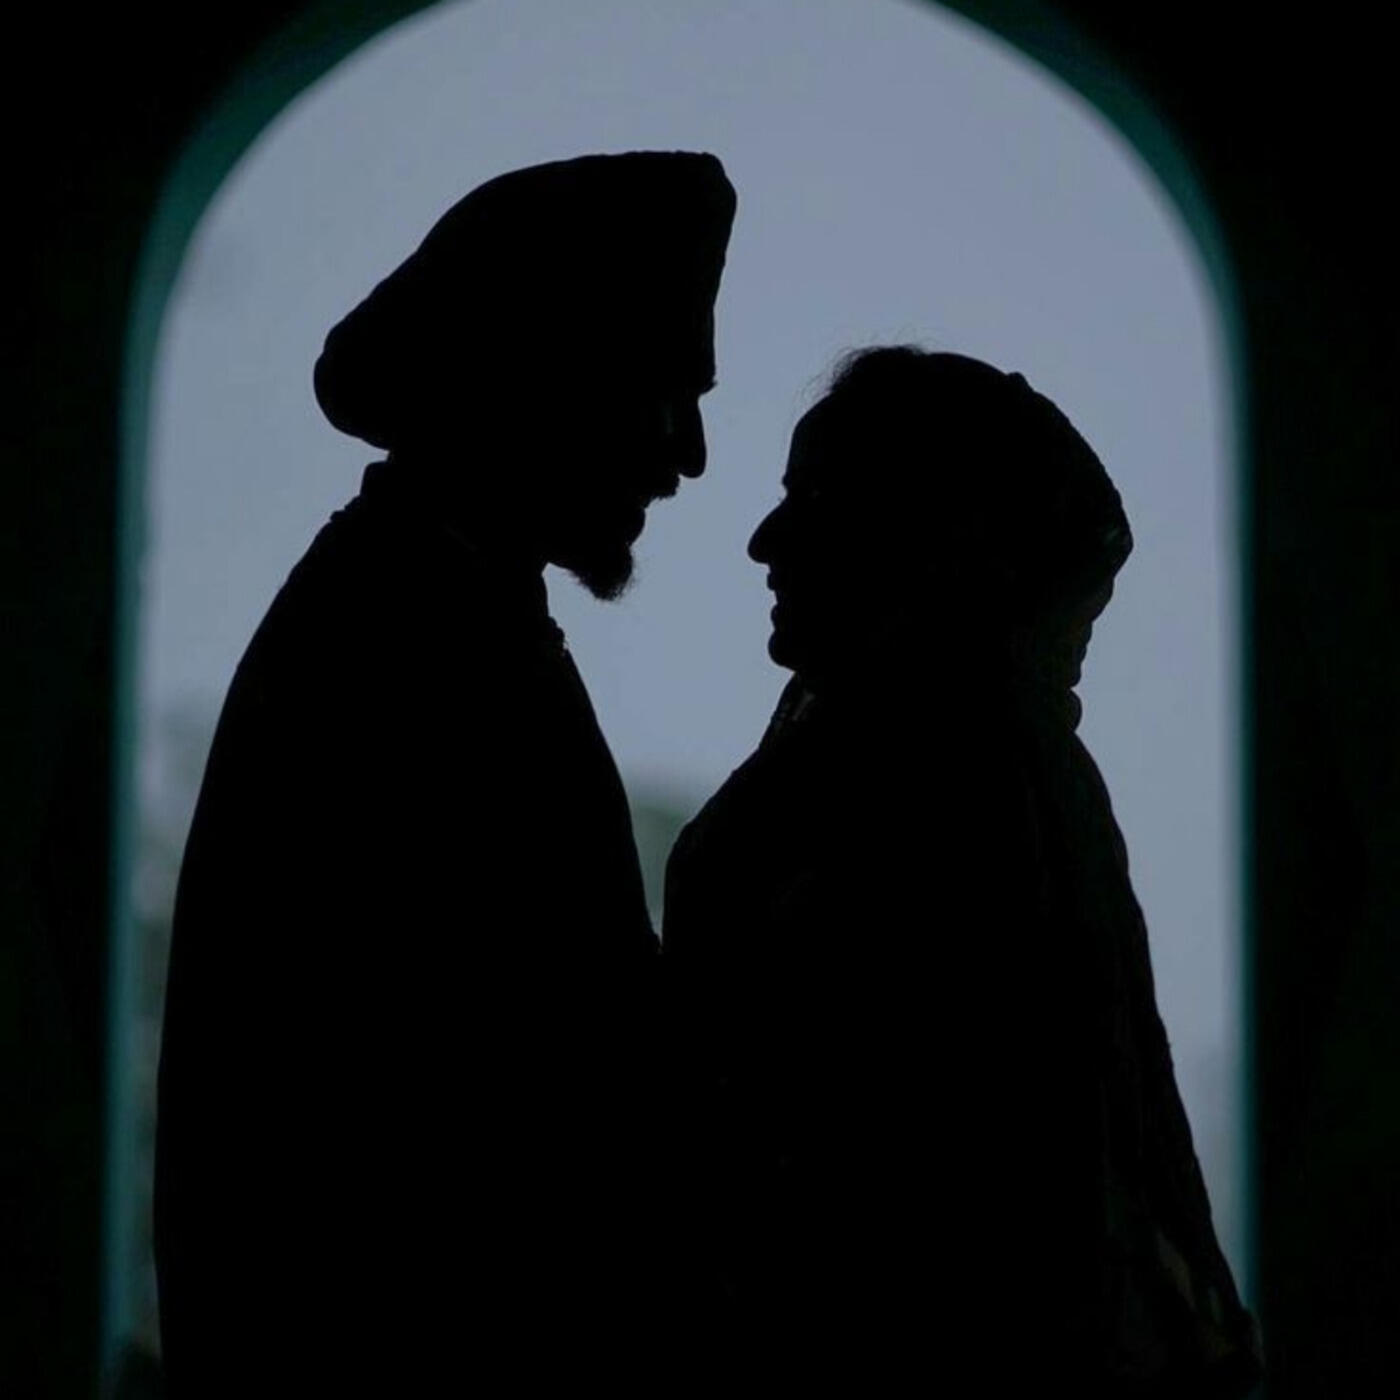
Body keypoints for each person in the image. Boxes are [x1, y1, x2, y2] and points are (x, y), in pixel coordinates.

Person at [154, 151, 736, 1394]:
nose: (686, 455)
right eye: (663, 393)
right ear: (547, 380)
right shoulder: (405, 647)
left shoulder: (429, 611)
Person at [662, 346, 1261, 1392]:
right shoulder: (936, 769)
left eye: (816, 500)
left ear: (926, 540)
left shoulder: (955, 791)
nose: (765, 540)